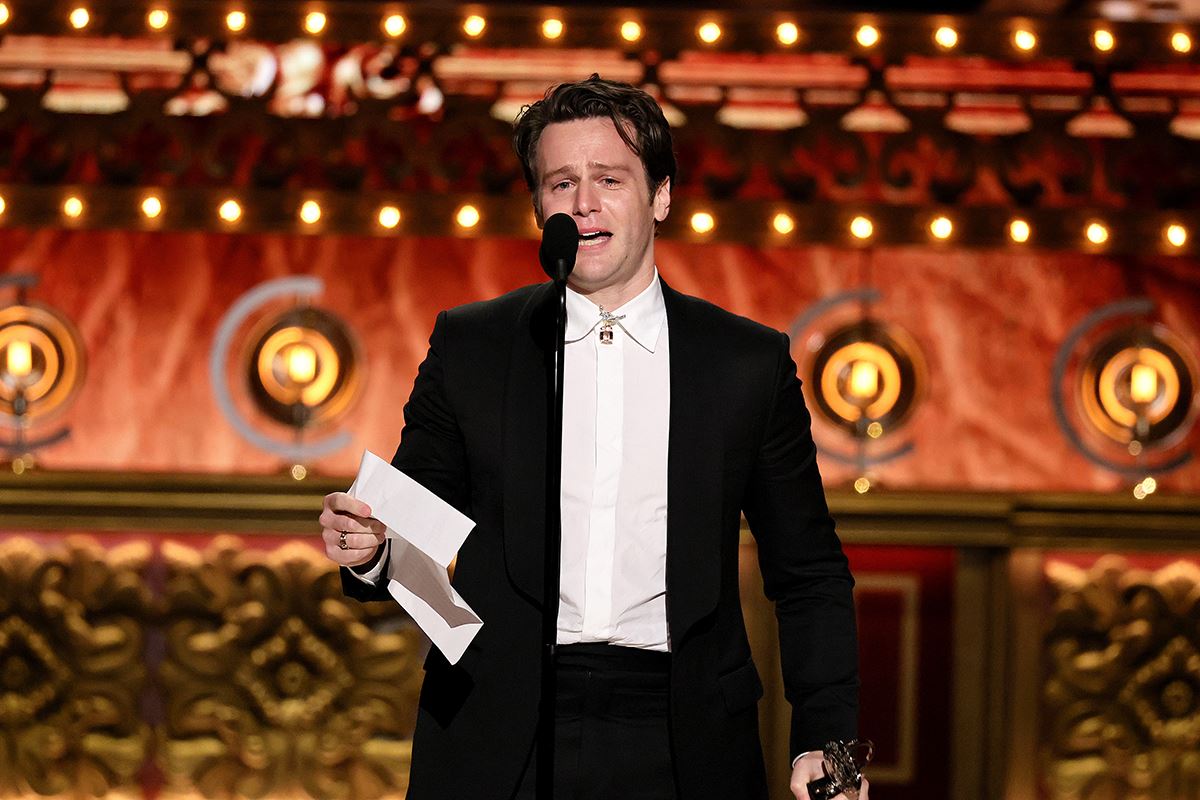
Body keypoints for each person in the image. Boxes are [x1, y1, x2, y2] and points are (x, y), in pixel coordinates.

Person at [319, 75, 865, 800]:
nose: (584, 203)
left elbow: (808, 571)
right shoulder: (474, 346)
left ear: (660, 196)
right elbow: (409, 523)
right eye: (561, 183)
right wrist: (370, 547)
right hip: (497, 727)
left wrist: (828, 742)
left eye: (609, 179)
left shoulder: (744, 364)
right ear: (538, 206)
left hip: (682, 733)